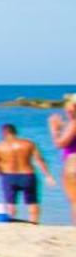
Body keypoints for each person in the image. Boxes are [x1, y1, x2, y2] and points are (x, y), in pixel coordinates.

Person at [0, 124, 54, 224]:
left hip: (9, 176)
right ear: (15, 132)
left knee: (10, 204)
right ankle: (34, 222)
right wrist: (48, 175)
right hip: (27, 175)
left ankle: (10, 221)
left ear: (3, 133)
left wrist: (0, 174)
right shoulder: (29, 143)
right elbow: (39, 160)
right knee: (32, 202)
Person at [51, 95, 76, 226]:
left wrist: (54, 129)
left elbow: (60, 143)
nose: (65, 108)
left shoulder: (74, 123)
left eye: (68, 105)